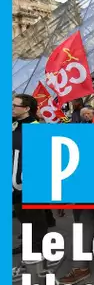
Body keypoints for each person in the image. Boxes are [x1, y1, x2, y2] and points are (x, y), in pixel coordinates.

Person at [12, 94, 48, 256]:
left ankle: (39, 246)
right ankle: (28, 244)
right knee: (21, 214)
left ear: (26, 109)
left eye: (15, 105)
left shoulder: (34, 126)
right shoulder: (13, 123)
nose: (11, 108)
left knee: (35, 215)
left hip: (31, 179)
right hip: (15, 178)